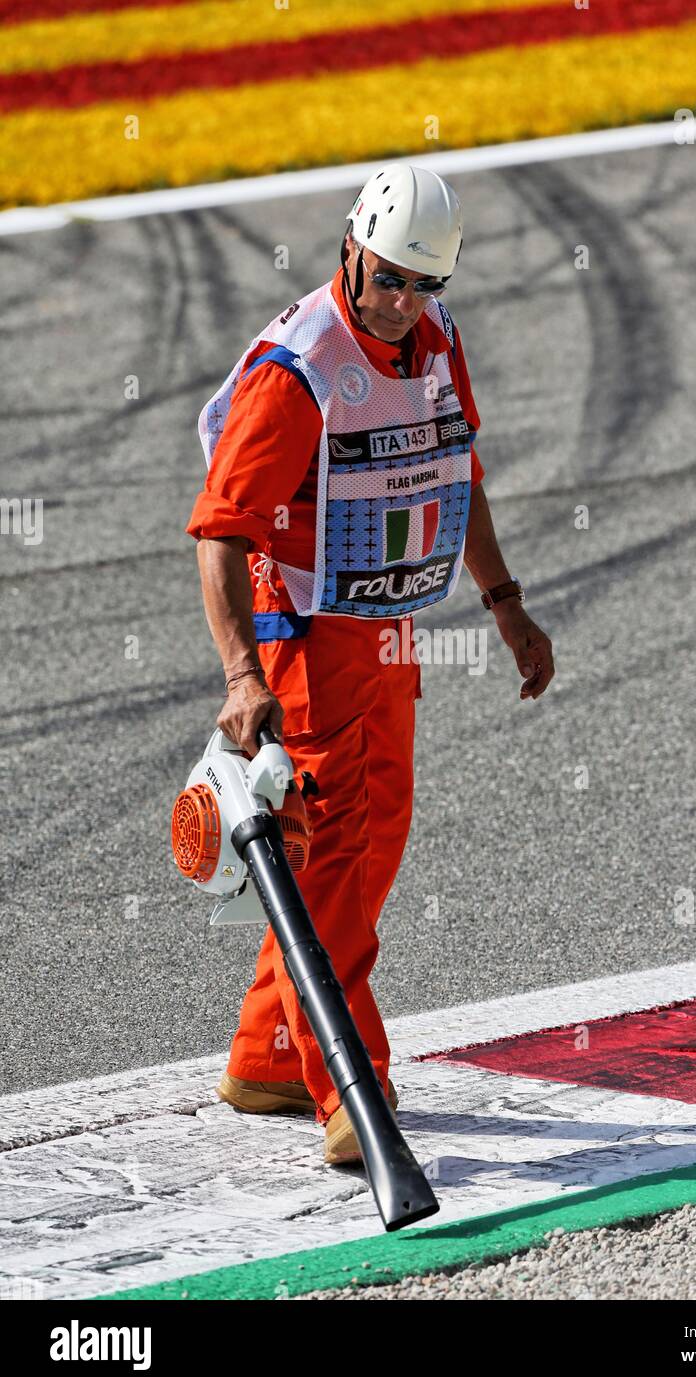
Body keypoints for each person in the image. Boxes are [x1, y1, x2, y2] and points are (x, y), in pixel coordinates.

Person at [186, 161, 554, 1164]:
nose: (401, 304)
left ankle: (266, 1050)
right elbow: (220, 531)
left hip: (388, 634)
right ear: (351, 249)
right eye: (387, 278)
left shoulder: (433, 342)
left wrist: (505, 604)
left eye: (422, 286)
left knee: (363, 840)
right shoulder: (295, 372)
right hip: (305, 640)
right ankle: (352, 1087)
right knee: (342, 847)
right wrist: (239, 676)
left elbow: (455, 467)